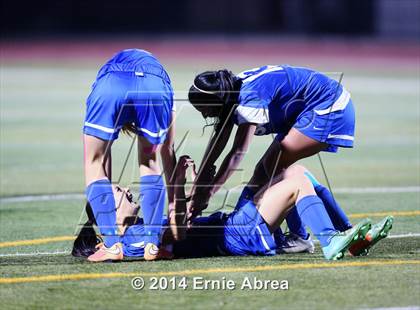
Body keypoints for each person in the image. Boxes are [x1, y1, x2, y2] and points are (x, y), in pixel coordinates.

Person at [73, 156, 393, 261]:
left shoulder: (142, 224)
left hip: (231, 225)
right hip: (235, 236)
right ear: (104, 218)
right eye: (117, 192)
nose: (127, 189)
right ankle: (329, 242)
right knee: (296, 187)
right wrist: (182, 183)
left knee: (295, 171)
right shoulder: (128, 242)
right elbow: (169, 237)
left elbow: (180, 221)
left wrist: (190, 185)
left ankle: (342, 235)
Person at [187, 65, 355, 223]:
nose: (205, 115)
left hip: (328, 105)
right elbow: (219, 139)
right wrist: (198, 186)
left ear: (217, 99)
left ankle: (303, 235)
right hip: (304, 110)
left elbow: (238, 152)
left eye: (204, 108)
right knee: (263, 172)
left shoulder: (249, 96)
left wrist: (209, 192)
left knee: (273, 166)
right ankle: (333, 226)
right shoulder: (229, 89)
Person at [83, 48, 176, 261]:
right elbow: (167, 152)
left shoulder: (102, 79)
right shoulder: (165, 84)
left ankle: (112, 247)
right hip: (154, 83)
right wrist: (173, 205)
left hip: (112, 82)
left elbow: (103, 162)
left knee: (93, 162)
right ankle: (152, 247)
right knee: (150, 162)